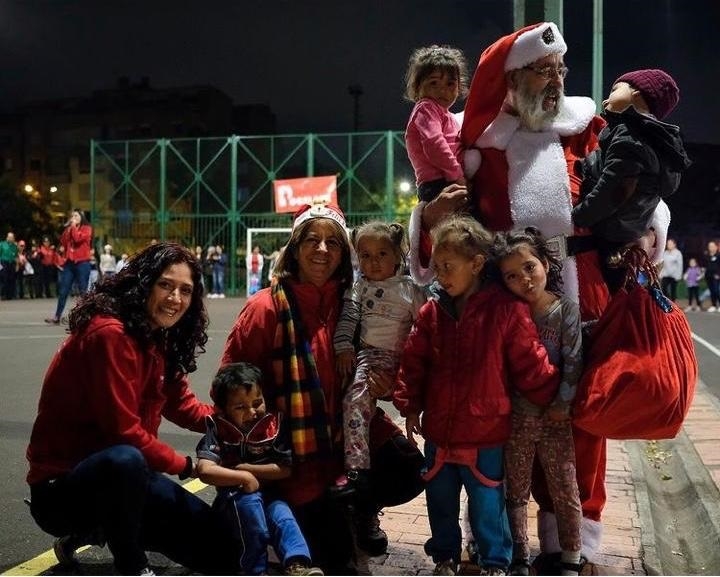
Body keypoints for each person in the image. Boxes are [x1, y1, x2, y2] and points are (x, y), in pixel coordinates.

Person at [406, 22, 664, 571]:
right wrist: (424, 221)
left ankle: (573, 544)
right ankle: (499, 541)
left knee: (582, 421)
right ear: (511, 78)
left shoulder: (584, 127)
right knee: (501, 426)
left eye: (559, 70)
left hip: (583, 292)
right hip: (501, 299)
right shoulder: (472, 141)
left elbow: (636, 186)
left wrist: (649, 222)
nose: (555, 80)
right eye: (541, 70)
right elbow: (444, 222)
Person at [221, 202, 425, 574]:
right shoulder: (265, 309)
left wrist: (390, 383)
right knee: (338, 563)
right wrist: (260, 456)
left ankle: (361, 509)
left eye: (333, 242)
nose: (322, 249)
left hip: (345, 432)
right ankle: (310, 514)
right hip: (295, 455)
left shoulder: (356, 300)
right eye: (312, 240)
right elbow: (231, 387)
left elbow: (387, 358)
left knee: (411, 467)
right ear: (295, 247)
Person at [26, 242, 239, 576]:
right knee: (125, 459)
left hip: (128, 481)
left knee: (225, 551)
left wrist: (231, 424)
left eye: (185, 290)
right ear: (144, 283)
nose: (175, 299)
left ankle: (91, 532)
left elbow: (181, 403)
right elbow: (122, 432)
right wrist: (187, 466)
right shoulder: (110, 334)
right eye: (165, 285)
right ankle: (132, 565)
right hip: (63, 489)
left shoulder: (157, 335)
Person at [394, 214, 560, 576]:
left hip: (486, 433)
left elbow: (529, 361)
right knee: (440, 499)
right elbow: (414, 361)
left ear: (477, 263)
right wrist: (409, 406)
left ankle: (495, 562)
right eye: (436, 266)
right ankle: (445, 558)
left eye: (448, 266)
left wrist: (557, 395)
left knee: (487, 502)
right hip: (438, 430)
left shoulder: (506, 309)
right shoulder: (432, 311)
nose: (441, 274)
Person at [492, 227, 583, 576]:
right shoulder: (509, 314)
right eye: (512, 276)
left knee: (564, 486)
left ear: (545, 262)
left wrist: (563, 403)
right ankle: (519, 556)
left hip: (556, 419)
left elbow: (574, 360)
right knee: (515, 489)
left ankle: (572, 557)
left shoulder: (565, 311)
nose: (524, 280)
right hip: (516, 418)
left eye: (530, 267)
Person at [196, 362, 323, 576]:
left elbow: (284, 469)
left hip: (270, 495)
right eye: (240, 407)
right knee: (253, 519)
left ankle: (297, 565)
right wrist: (242, 477)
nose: (252, 411)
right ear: (223, 409)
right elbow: (205, 470)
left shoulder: (273, 426)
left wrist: (250, 470)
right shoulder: (218, 429)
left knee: (284, 518)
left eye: (257, 402)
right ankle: (255, 571)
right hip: (234, 498)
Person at [571, 69, 691, 293]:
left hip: (608, 230)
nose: (606, 99)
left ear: (637, 94)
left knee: (605, 295)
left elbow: (614, 189)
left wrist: (579, 216)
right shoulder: (661, 141)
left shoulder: (629, 137)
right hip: (630, 231)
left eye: (615, 90)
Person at [332, 221, 426, 496]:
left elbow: (425, 328)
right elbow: (349, 317)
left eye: (382, 254)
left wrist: (410, 368)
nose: (373, 262)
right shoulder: (359, 287)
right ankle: (357, 467)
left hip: (403, 358)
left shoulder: (411, 290)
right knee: (355, 399)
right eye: (365, 255)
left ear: (398, 255)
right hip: (369, 356)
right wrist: (343, 347)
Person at [404, 44, 468, 203]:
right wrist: (457, 175)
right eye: (434, 83)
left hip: (446, 180)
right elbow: (434, 143)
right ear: (418, 87)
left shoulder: (447, 115)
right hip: (438, 184)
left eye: (450, 84)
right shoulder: (426, 108)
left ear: (459, 87)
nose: (442, 90)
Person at [45, 209, 93, 324]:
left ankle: (85, 317)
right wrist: (68, 228)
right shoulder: (70, 228)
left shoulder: (87, 229)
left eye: (76, 216)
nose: (73, 217)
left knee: (83, 291)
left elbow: (77, 239)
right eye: (72, 216)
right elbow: (63, 241)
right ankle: (57, 317)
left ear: (81, 217)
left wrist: (73, 227)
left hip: (82, 263)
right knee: (63, 290)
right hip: (69, 264)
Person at [0, 231, 19, 300]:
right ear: (7, 237)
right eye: (9, 237)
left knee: (11, 279)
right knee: (4, 279)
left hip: (12, 263)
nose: (11, 238)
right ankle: (3, 295)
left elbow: (16, 256)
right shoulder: (2, 244)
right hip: (3, 263)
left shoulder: (14, 246)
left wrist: (17, 265)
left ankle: (10, 295)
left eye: (12, 237)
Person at [703, 240, 720, 312]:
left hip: (716, 276)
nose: (711, 248)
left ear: (716, 247)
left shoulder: (719, 255)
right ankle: (713, 305)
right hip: (708, 276)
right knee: (712, 291)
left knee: (717, 290)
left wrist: (718, 274)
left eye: (713, 246)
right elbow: (704, 265)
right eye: (710, 246)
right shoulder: (707, 256)